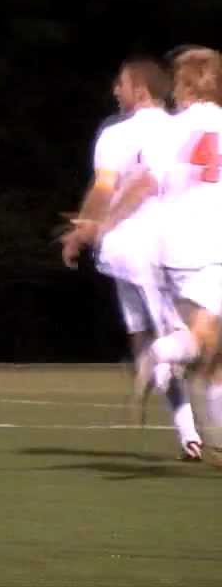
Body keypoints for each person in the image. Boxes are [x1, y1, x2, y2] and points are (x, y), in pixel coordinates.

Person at [59, 56, 201, 460]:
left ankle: (176, 408)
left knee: (155, 340)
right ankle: (188, 432)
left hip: (128, 250)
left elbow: (106, 188)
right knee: (179, 337)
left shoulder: (116, 134)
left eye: (120, 84)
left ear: (139, 89)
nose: (114, 91)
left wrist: (84, 229)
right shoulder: (187, 128)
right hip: (182, 248)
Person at [91, 48, 222, 460]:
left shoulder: (169, 131)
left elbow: (143, 184)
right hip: (215, 245)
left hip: (175, 249)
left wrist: (103, 223)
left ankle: (207, 436)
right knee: (202, 343)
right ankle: (161, 352)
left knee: (213, 351)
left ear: (183, 85)